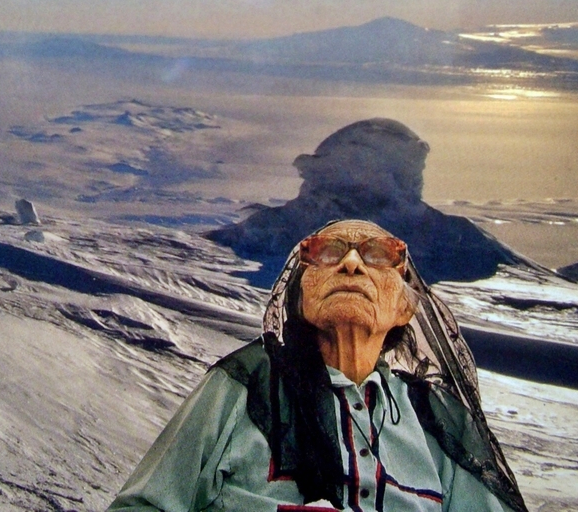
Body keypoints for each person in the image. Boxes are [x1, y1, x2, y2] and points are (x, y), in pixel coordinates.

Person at [107, 219, 528, 512]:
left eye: (378, 255)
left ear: (405, 309)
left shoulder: (434, 419)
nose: (351, 263)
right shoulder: (243, 385)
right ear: (300, 297)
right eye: (327, 252)